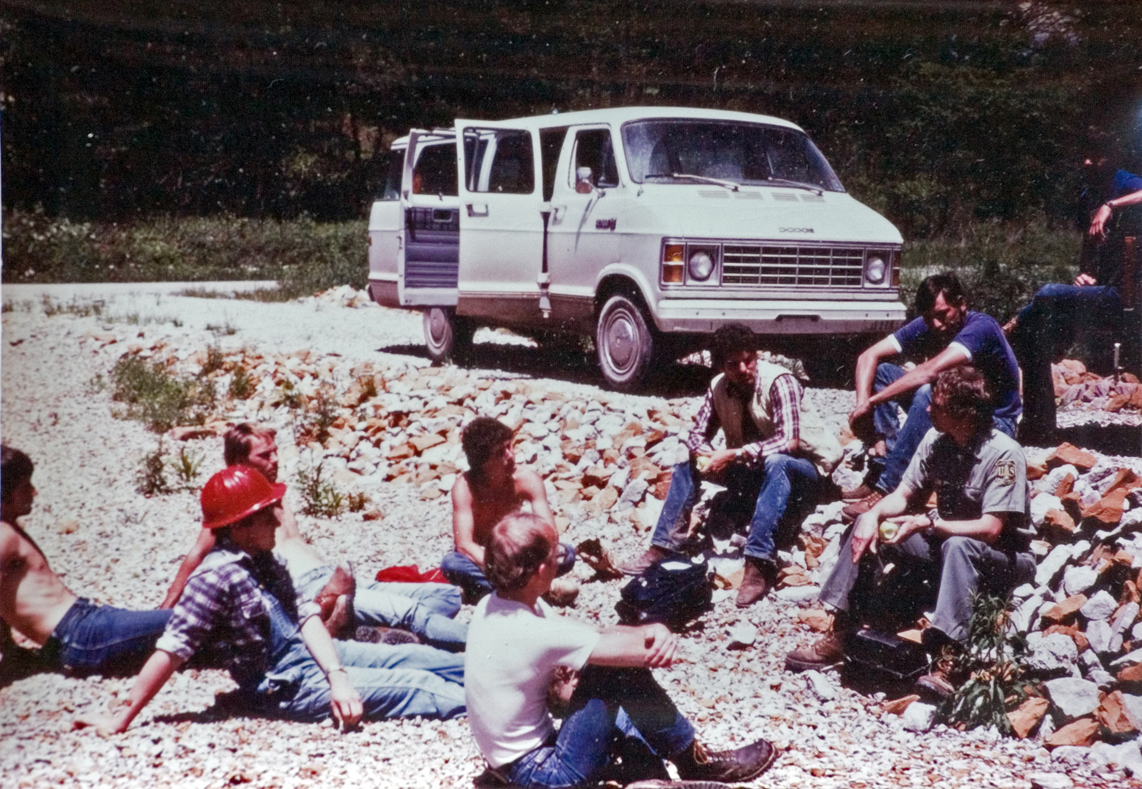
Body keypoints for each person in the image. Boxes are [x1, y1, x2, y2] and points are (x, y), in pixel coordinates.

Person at [77, 466, 466, 735]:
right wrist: (121, 717)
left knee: (422, 658)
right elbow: (172, 650)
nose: (277, 522)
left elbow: (306, 618)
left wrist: (337, 674)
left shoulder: (268, 560)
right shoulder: (213, 579)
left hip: (314, 659)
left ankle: (499, 674)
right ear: (240, 526)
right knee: (419, 685)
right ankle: (497, 706)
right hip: (286, 685)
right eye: (265, 515)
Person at [465, 512, 777, 788]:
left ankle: (649, 771)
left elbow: (586, 633)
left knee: (616, 695)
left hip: (512, 764)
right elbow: (636, 654)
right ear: (540, 569)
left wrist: (647, 629)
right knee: (613, 671)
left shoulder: (496, 605)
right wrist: (658, 632)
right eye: (556, 553)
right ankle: (693, 761)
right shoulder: (530, 630)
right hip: (541, 774)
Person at [785, 367, 1035, 699]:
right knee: (866, 527)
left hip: (1003, 558)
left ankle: (950, 658)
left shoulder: (1003, 453)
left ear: (964, 413)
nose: (928, 409)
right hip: (946, 545)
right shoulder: (935, 440)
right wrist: (872, 515)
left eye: (937, 405)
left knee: (959, 546)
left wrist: (929, 523)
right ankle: (843, 629)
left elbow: (991, 529)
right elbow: (903, 495)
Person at [162, 423, 466, 651]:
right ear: (240, 462)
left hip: (333, 575)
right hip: (310, 587)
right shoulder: (238, 506)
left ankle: (370, 630)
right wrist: (164, 612)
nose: (275, 459)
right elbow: (197, 554)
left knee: (448, 596)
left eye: (276, 451)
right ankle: (485, 648)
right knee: (414, 613)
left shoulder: (276, 494)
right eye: (264, 455)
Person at [620, 323, 842, 608]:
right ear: (721, 366)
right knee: (689, 457)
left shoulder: (779, 382)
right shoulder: (719, 387)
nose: (743, 369)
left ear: (756, 356)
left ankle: (758, 562)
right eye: (733, 364)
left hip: (806, 470)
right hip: (754, 469)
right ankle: (663, 546)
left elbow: (789, 442)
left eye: (749, 360)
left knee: (777, 461)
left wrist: (732, 454)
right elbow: (696, 435)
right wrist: (706, 453)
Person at [842, 273, 1021, 523]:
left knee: (928, 392)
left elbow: (930, 371)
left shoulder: (981, 328)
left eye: (942, 314)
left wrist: (873, 402)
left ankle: (887, 489)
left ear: (961, 304)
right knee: (884, 373)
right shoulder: (930, 323)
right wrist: (862, 403)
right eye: (928, 318)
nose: (935, 324)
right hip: (953, 409)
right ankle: (882, 466)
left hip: (995, 421)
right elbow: (868, 356)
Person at [0, 446, 171, 677]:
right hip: (80, 636)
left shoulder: (9, 528)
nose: (34, 492)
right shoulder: (3, 536)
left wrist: (11, 652)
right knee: (189, 617)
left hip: (81, 628)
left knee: (189, 626)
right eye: (24, 487)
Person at [1006, 157, 1142, 440]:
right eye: (1084, 155)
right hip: (1104, 294)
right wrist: (1085, 274)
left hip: (1129, 297)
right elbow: (1089, 247)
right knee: (1032, 330)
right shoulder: (1087, 195)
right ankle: (1039, 425)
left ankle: (1010, 325)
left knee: (1046, 294)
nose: (1087, 162)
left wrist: (1110, 205)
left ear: (1109, 157)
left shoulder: (1124, 182)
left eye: (1095, 156)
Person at [443, 417, 578, 605]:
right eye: (500, 453)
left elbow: (550, 533)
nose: (511, 455)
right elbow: (464, 544)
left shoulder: (527, 479)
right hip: (485, 557)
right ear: (482, 462)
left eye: (509, 446)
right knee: (451, 564)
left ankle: (499, 591)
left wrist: (521, 558)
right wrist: (501, 566)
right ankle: (537, 590)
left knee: (566, 553)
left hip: (517, 551)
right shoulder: (465, 487)